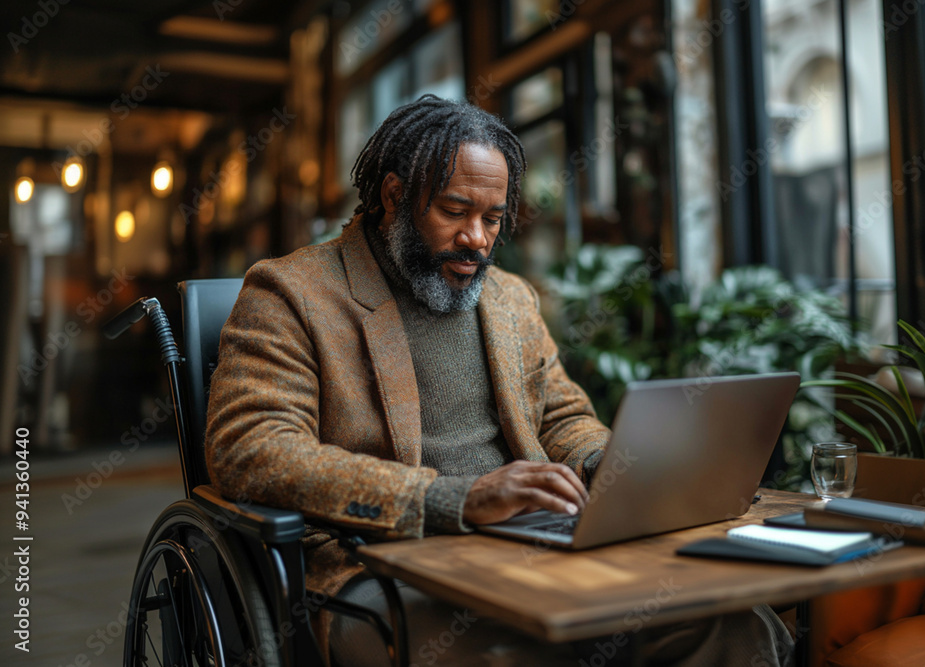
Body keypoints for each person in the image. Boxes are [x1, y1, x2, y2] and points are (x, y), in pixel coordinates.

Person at [205, 95, 792, 666]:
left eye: (492, 219)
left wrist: (605, 465)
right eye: (455, 212)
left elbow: (562, 417)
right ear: (392, 195)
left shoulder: (510, 299)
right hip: (378, 567)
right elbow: (250, 450)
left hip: (528, 550)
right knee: (523, 653)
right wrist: (452, 499)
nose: (477, 240)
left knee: (731, 623)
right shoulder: (291, 293)